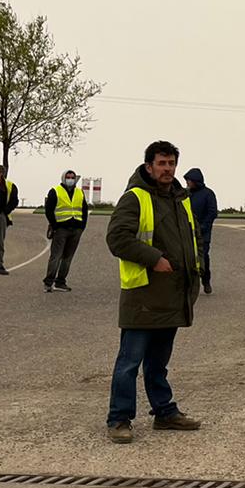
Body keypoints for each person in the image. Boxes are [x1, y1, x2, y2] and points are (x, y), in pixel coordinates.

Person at [104, 139, 204, 443]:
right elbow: (117, 239)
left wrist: (195, 272)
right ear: (149, 166)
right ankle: (119, 418)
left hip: (172, 295)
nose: (167, 169)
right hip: (144, 296)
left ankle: (164, 412)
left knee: (159, 363)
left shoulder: (180, 198)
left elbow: (192, 238)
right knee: (129, 362)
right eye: (161, 163)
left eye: (171, 163)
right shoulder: (135, 197)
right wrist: (154, 259)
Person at [43, 170, 89, 292]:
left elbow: (84, 210)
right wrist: (55, 226)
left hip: (76, 229)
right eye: (68, 177)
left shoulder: (80, 192)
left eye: (72, 177)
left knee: (68, 258)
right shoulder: (55, 191)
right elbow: (49, 210)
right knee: (56, 256)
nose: (70, 179)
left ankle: (60, 282)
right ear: (63, 178)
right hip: (61, 229)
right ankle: (49, 282)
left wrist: (82, 226)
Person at [183, 168, 218, 294]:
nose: (187, 183)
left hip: (203, 233)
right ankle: (189, 284)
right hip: (187, 232)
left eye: (189, 181)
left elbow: (212, 212)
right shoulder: (185, 194)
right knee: (187, 258)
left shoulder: (208, 194)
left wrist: (203, 227)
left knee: (203, 258)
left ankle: (206, 281)